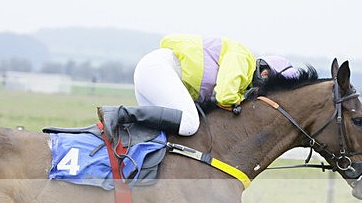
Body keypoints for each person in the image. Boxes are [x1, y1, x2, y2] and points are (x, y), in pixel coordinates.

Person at [114, 34, 300, 137]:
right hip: (160, 69)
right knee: (189, 124)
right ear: (265, 73)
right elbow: (225, 96)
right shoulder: (243, 58)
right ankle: (119, 115)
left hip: (156, 73)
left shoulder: (243, 80)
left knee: (160, 137)